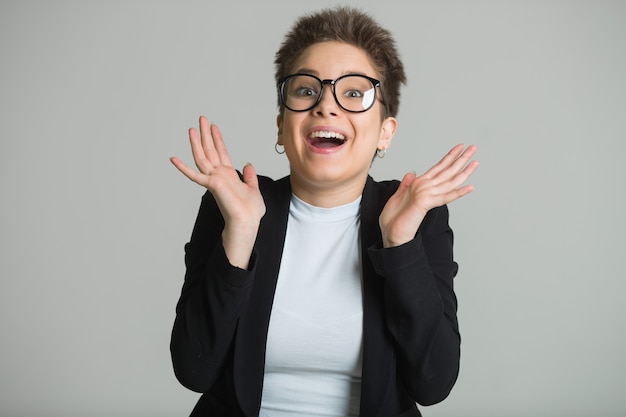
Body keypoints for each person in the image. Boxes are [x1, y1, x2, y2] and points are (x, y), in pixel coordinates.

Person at [169, 6, 479, 417]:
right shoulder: (235, 203)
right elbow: (194, 370)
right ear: (281, 125)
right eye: (306, 89)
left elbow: (433, 383)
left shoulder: (417, 216)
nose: (326, 106)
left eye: (354, 92)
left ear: (385, 132)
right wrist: (240, 234)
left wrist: (399, 245)